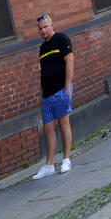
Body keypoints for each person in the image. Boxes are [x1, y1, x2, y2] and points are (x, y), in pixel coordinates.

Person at [33, 13, 74, 179]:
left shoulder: (61, 39)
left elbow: (70, 61)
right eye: (40, 29)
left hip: (60, 92)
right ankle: (49, 165)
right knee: (48, 129)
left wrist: (67, 88)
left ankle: (66, 159)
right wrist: (42, 92)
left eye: (45, 27)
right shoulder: (42, 48)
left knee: (64, 124)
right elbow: (43, 71)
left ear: (52, 26)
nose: (43, 31)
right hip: (47, 96)